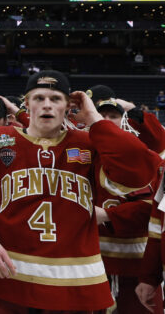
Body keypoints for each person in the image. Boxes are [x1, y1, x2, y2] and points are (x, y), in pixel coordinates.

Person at [0, 70, 162, 312]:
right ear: (27, 104)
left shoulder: (90, 144)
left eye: (55, 99)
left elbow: (141, 172)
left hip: (74, 285)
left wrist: (95, 119)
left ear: (68, 106)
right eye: (39, 98)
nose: (47, 105)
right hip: (4, 280)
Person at [83, 85, 164, 313]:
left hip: (135, 261)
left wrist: (109, 215)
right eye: (102, 116)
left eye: (114, 116)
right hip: (90, 260)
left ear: (125, 120)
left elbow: (153, 208)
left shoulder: (141, 153)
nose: (107, 120)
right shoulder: (81, 151)